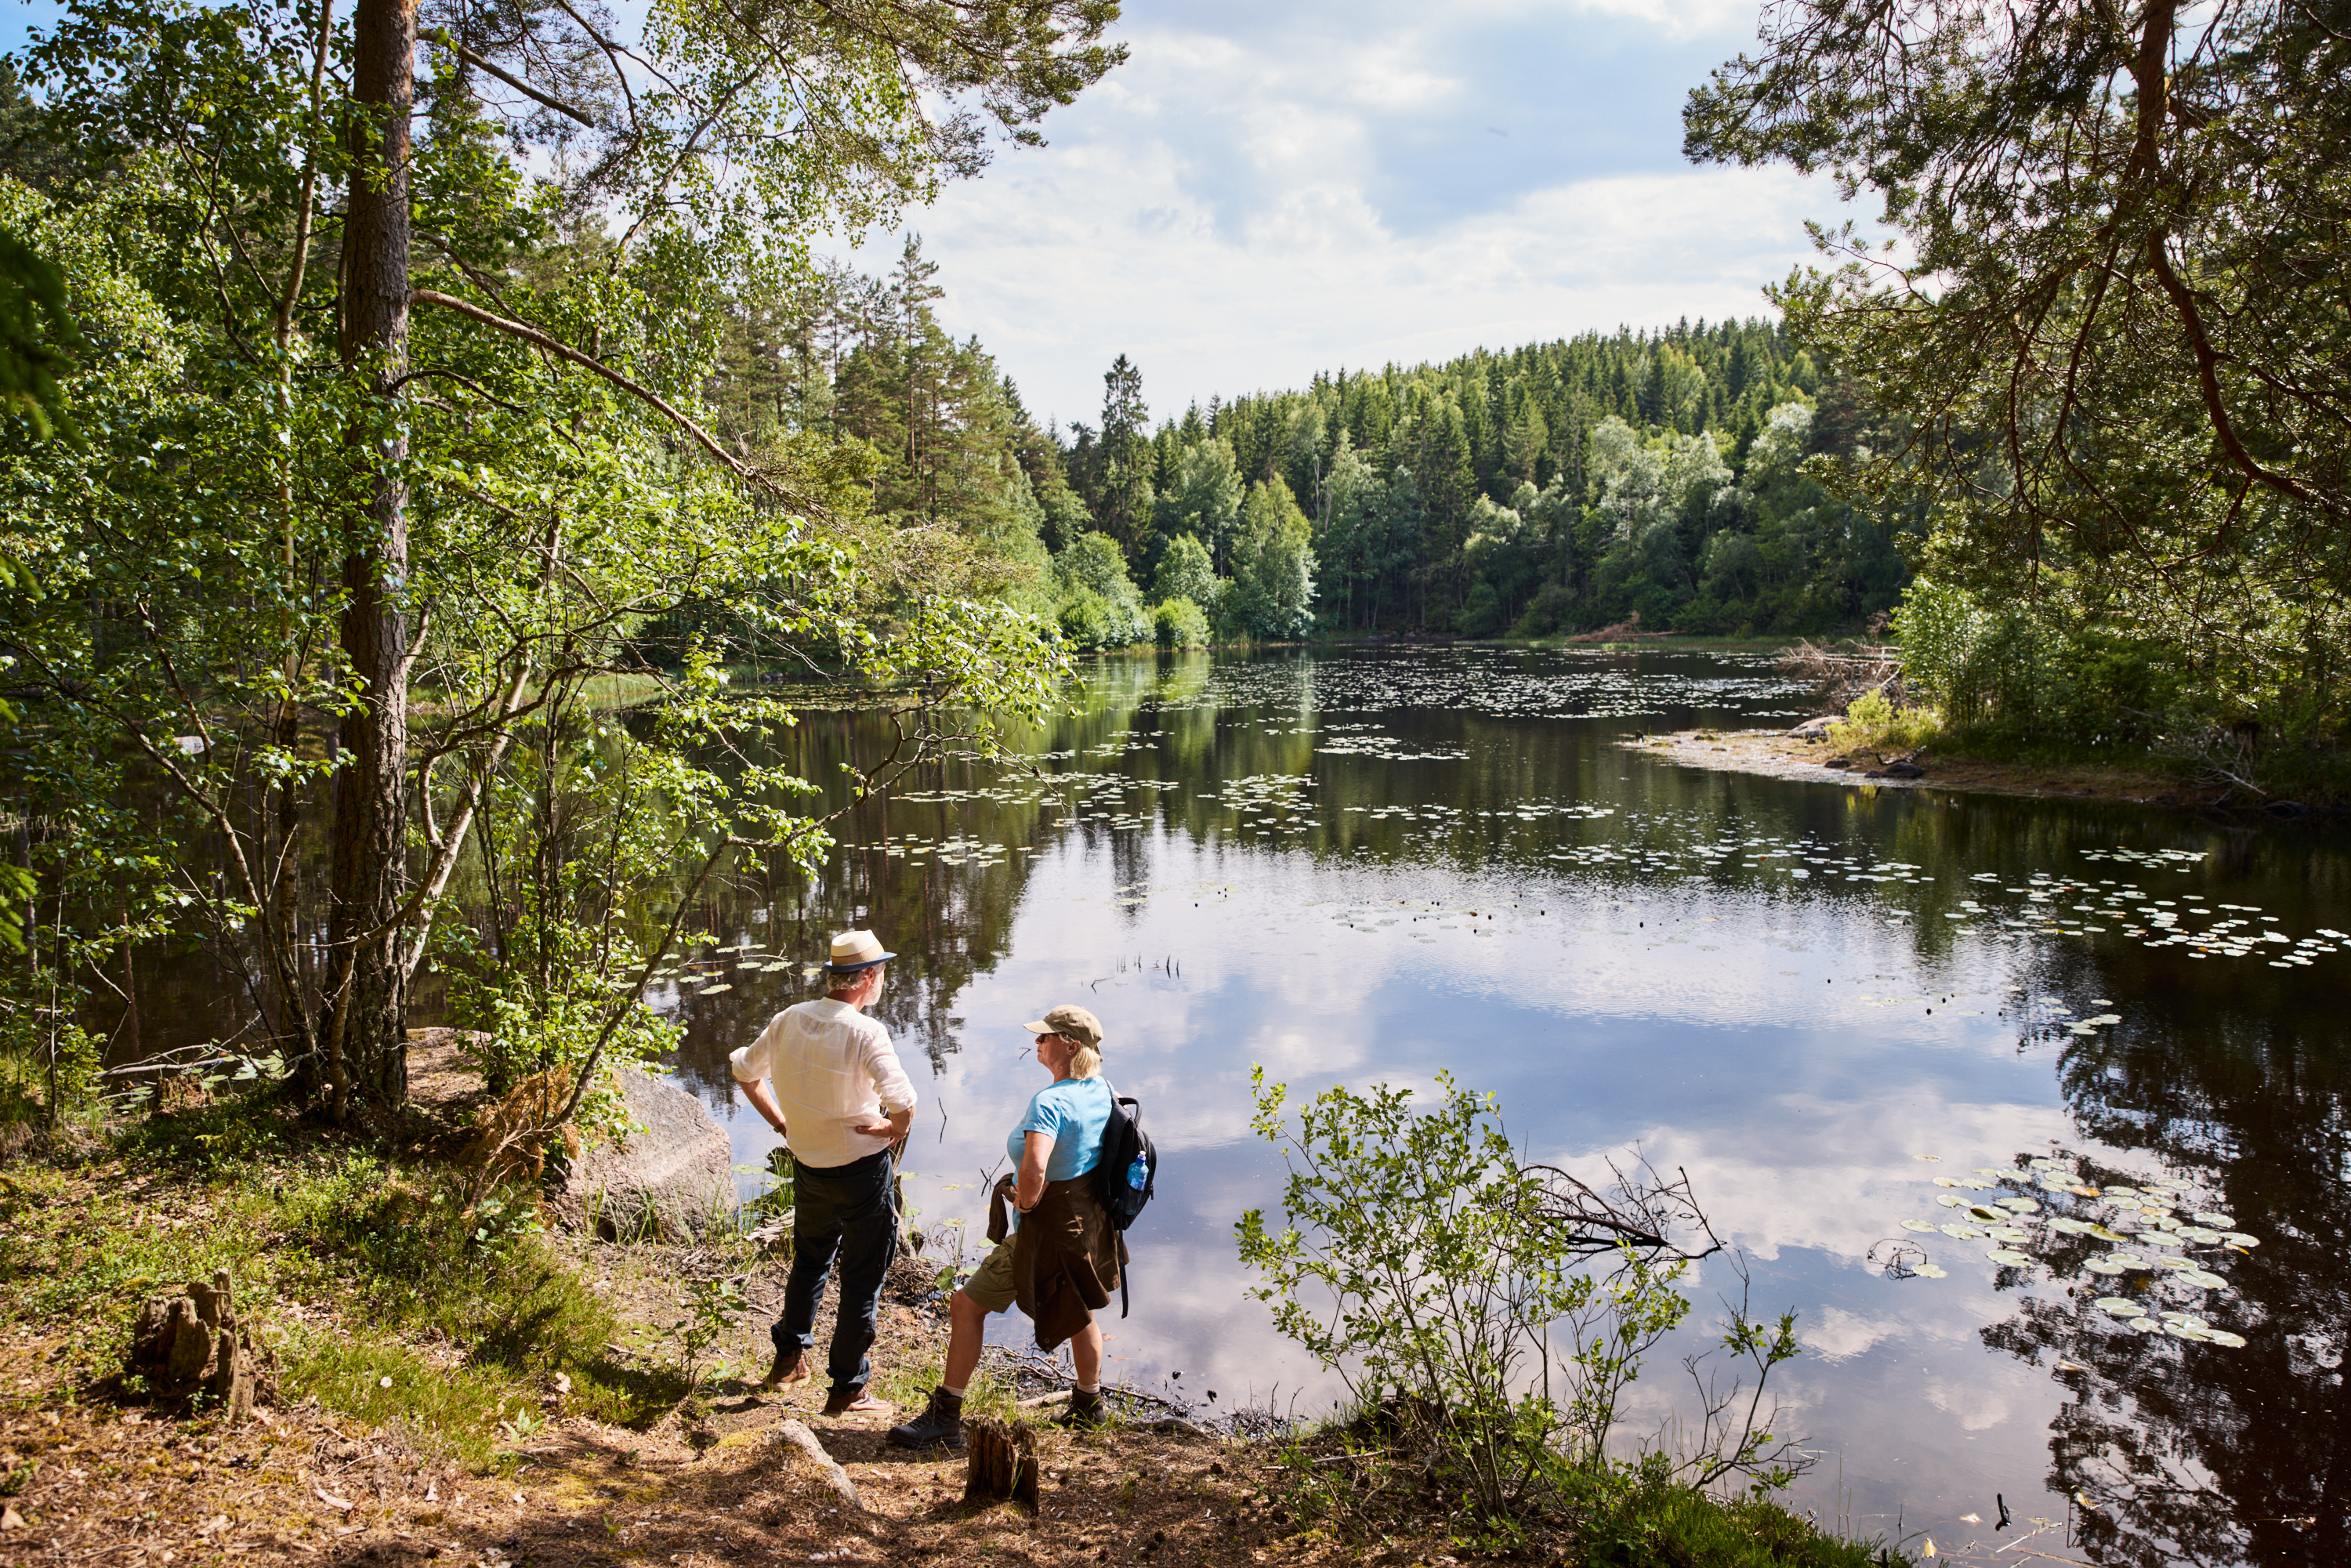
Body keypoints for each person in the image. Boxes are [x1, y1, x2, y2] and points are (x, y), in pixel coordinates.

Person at [889, 1004, 1122, 1450]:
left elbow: (1034, 1170)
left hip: (1041, 1233)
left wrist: (1025, 1201)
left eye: (1045, 1037)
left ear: (1069, 1046)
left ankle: (946, 1418)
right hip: (1084, 1226)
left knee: (965, 1306)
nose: (1037, 1043)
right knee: (1078, 1306)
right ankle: (1090, 1405)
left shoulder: (1051, 1102)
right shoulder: (1100, 1089)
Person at [730, 929, 916, 1416]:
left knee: (810, 1261)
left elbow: (745, 1072)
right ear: (868, 978)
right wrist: (891, 1131)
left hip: (809, 1166)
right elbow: (904, 1100)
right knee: (861, 1276)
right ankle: (848, 1389)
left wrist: (782, 1123)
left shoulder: (789, 1019)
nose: (882, 983)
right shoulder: (865, 1031)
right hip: (860, 1169)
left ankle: (789, 1361)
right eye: (881, 975)